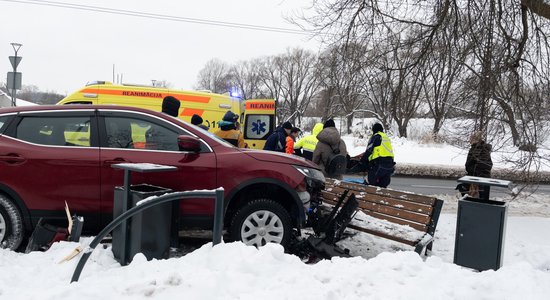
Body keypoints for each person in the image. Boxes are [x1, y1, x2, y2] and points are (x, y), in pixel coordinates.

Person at [359, 123, 395, 188]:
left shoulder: (376, 137)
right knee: (382, 187)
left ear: (374, 130)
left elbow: (369, 151)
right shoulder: (386, 138)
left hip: (379, 165)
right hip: (389, 166)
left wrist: (362, 162)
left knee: (370, 185)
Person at [461, 131, 493, 199]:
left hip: (480, 179)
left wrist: (474, 167)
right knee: (465, 191)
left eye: (471, 138)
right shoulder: (474, 149)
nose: (469, 140)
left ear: (476, 139)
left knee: (480, 199)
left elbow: (487, 165)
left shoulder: (481, 150)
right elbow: (468, 165)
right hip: (477, 178)